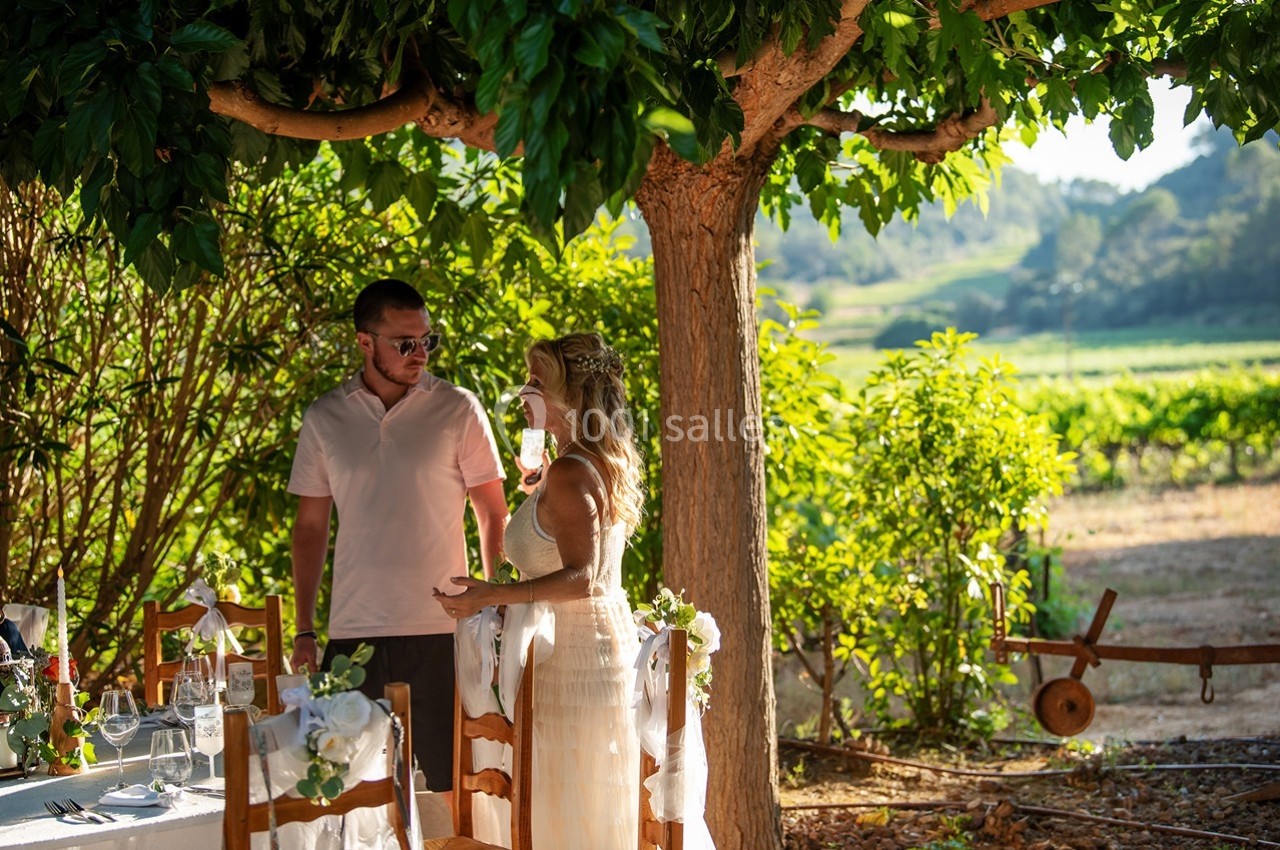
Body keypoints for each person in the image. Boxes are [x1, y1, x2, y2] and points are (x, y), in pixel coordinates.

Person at [287, 278, 508, 793]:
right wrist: (303, 629)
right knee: (346, 791)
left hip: (442, 629)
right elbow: (310, 527)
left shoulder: (459, 408)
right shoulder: (325, 417)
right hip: (354, 631)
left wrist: (496, 609)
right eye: (405, 343)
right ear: (365, 342)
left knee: (449, 790)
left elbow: (492, 513)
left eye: (427, 340)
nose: (420, 353)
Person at [435, 331, 644, 849]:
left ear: (567, 396)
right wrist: (538, 478)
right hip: (579, 645)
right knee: (568, 799)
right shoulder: (572, 463)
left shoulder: (572, 472)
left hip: (574, 655)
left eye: (535, 382)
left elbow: (582, 578)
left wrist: (489, 596)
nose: (524, 391)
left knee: (566, 801)